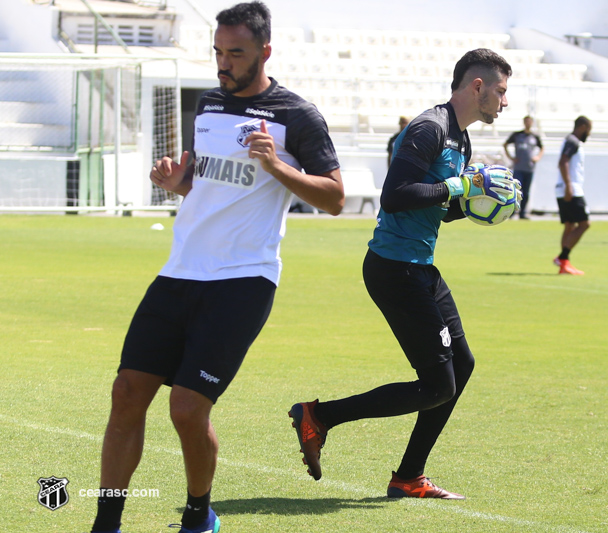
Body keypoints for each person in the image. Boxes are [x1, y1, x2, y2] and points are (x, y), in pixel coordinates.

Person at [89, 3, 344, 533]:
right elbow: (212, 185)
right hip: (180, 271)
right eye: (218, 53)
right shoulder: (208, 104)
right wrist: (178, 185)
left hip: (243, 281)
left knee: (185, 409)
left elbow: (336, 198)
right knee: (126, 394)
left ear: (264, 53)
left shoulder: (298, 116)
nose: (224, 65)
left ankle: (199, 514)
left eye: (236, 55)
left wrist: (276, 164)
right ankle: (105, 524)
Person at [289, 48, 514, 500]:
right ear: (477, 86)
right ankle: (319, 416)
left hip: (421, 268)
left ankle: (409, 476)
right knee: (436, 385)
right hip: (394, 269)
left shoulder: (462, 138)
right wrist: (454, 187)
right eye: (501, 92)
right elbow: (395, 196)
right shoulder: (430, 128)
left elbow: (438, 207)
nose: (504, 103)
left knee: (462, 367)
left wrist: (478, 201)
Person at [553, 116, 592, 275]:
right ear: (582, 126)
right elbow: (563, 162)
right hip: (571, 189)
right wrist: (569, 186)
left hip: (563, 188)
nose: (588, 133)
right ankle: (563, 257)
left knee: (569, 225)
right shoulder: (573, 141)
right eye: (588, 130)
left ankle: (564, 265)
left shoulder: (570, 141)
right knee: (584, 224)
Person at [503, 115, 544, 219]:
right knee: (515, 190)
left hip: (529, 168)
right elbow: (505, 144)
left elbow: (542, 147)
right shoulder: (517, 135)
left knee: (526, 191)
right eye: (526, 121)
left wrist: (538, 157)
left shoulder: (535, 137)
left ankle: (522, 213)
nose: (528, 123)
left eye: (530, 122)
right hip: (518, 168)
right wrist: (511, 157)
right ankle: (511, 212)